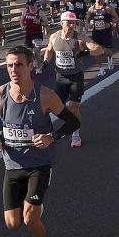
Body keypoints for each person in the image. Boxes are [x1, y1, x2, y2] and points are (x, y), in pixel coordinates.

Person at [0, 45, 82, 237]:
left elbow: (72, 122)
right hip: (12, 165)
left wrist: (53, 137)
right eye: (9, 65)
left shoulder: (45, 96)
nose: (13, 69)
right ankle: (34, 205)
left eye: (19, 64)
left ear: (30, 66)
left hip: (39, 164)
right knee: (12, 223)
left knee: (30, 218)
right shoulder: (1, 92)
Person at [41, 11, 105, 148]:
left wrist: (86, 52)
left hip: (76, 78)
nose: (71, 25)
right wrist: (45, 62)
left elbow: (99, 50)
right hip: (60, 78)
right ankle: (69, 123)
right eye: (68, 22)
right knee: (55, 106)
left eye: (73, 22)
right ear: (61, 23)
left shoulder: (80, 38)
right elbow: (49, 51)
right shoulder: (54, 37)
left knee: (74, 107)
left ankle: (75, 133)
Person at [86, 0, 119, 77]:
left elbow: (116, 18)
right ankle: (101, 69)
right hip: (96, 32)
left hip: (106, 32)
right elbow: (87, 20)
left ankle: (110, 57)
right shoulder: (91, 9)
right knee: (96, 51)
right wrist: (88, 25)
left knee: (107, 51)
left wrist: (110, 24)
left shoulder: (108, 8)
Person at [21, 0, 48, 74]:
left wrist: (39, 23)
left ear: (36, 4)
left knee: (36, 52)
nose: (30, 7)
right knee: (28, 53)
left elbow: (46, 23)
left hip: (37, 34)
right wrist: (22, 26)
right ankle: (36, 62)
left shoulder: (40, 12)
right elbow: (21, 20)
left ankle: (39, 67)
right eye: (29, 5)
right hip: (28, 34)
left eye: (32, 5)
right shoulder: (25, 11)